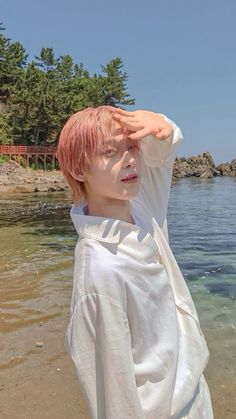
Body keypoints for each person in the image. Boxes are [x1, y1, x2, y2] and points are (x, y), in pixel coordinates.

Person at [57, 106, 214, 419]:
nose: (129, 159)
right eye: (109, 151)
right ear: (78, 169)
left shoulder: (141, 209)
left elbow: (163, 148)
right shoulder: (99, 273)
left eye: (131, 147)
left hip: (194, 394)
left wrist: (163, 125)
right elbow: (112, 397)